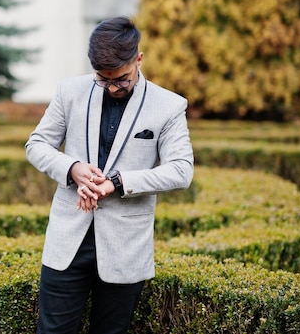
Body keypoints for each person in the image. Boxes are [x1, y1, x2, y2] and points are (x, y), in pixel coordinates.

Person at [25, 17, 194, 334]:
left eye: (122, 80)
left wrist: (117, 182)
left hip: (125, 247)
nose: (113, 87)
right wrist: (72, 168)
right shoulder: (69, 91)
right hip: (67, 243)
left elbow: (181, 170)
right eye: (103, 80)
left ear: (138, 60)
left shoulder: (169, 106)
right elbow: (36, 144)